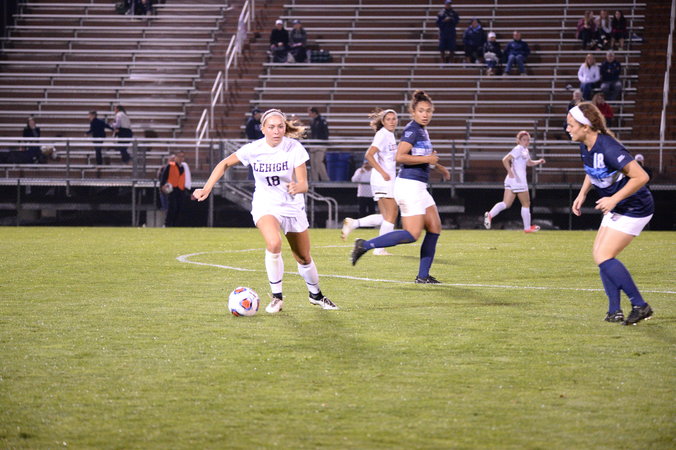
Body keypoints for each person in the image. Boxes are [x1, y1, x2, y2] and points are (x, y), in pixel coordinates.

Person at [192, 108, 338, 313]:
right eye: (271, 127)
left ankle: (316, 295)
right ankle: (277, 297)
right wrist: (207, 187)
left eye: (280, 126)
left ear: (285, 128)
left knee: (303, 257)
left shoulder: (294, 148)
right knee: (274, 243)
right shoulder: (254, 149)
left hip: (292, 206)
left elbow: (304, 184)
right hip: (265, 204)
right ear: (263, 129)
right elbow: (224, 163)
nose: (276, 131)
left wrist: (297, 187)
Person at [567, 102, 654, 325]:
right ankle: (614, 311)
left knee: (604, 256)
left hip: (635, 207)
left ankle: (640, 305)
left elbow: (642, 177)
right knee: (599, 254)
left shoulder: (609, 148)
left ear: (585, 126)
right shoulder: (585, 145)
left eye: (571, 125)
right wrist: (582, 193)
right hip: (618, 205)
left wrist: (614, 198)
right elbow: (592, 171)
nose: (567, 129)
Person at [351, 90, 450, 283]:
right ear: (413, 112)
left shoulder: (422, 130)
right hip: (409, 186)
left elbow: (423, 157)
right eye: (421, 110)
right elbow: (400, 156)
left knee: (435, 227)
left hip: (419, 186)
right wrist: (428, 159)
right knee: (412, 234)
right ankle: (365, 245)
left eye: (428, 111)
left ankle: (423, 276)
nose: (425, 114)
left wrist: (439, 166)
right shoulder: (412, 130)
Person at [342, 108, 400, 256]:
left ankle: (354, 223)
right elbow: (369, 155)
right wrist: (383, 172)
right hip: (383, 179)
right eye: (388, 119)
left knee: (386, 216)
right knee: (392, 213)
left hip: (384, 179)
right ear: (383, 122)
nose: (392, 122)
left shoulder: (389, 135)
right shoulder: (383, 134)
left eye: (394, 119)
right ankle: (379, 248)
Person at [483, 131, 545, 232]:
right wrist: (510, 171)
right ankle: (527, 228)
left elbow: (529, 163)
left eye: (528, 140)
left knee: (506, 203)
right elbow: (505, 160)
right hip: (518, 180)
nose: (526, 142)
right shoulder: (518, 149)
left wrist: (538, 161)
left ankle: (489, 215)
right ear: (518, 140)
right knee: (526, 203)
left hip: (512, 180)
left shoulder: (525, 150)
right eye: (524, 140)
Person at [160, 151, 187, 227]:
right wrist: (162, 185)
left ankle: (176, 224)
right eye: (179, 156)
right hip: (172, 189)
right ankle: (167, 224)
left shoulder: (183, 167)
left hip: (180, 189)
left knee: (179, 207)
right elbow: (164, 176)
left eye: (182, 157)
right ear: (176, 157)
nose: (181, 158)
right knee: (172, 207)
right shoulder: (170, 165)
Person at [307, 107, 330, 181]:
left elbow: (325, 133)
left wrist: (323, 142)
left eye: (310, 113)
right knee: (313, 164)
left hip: (320, 144)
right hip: (314, 144)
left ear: (314, 113)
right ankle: (315, 180)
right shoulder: (312, 121)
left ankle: (325, 179)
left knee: (318, 162)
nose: (308, 115)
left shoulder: (322, 120)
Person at [436, 0, 460, 64]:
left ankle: (451, 61)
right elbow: (437, 23)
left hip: (451, 32)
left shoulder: (454, 13)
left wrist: (451, 19)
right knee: (442, 48)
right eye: (447, 4)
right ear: (445, 5)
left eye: (449, 4)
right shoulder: (440, 13)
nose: (448, 5)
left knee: (452, 47)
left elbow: (457, 22)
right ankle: (443, 61)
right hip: (443, 32)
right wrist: (444, 21)